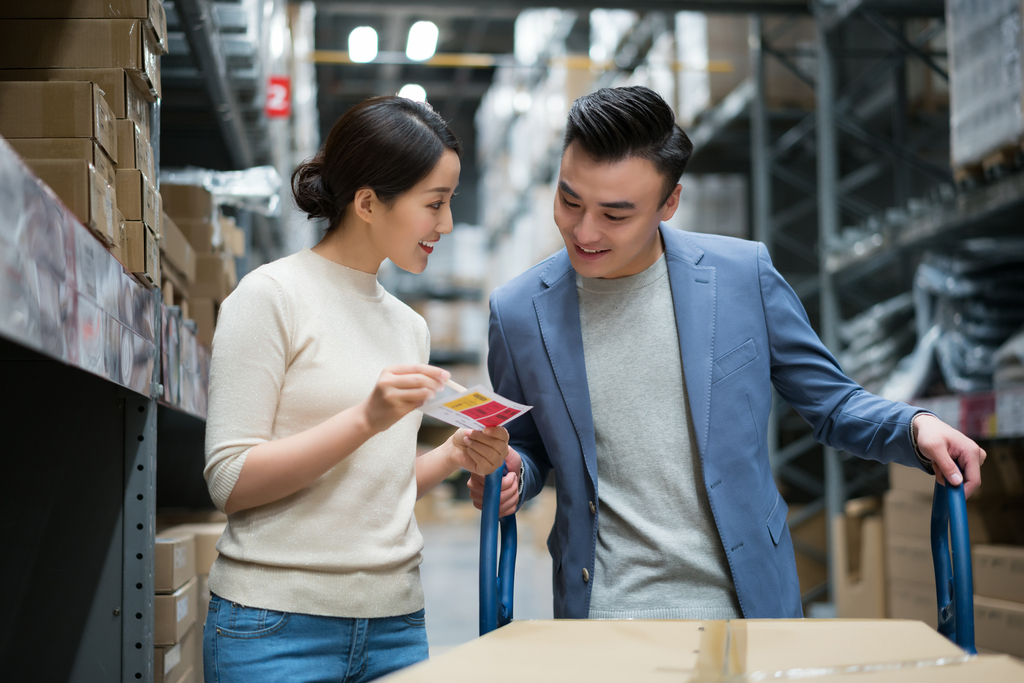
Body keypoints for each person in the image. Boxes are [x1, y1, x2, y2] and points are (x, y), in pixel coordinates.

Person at [470, 85, 986, 620]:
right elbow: (528, 448)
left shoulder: (743, 276)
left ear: (670, 203)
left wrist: (915, 426)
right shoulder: (517, 312)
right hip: (604, 615)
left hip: (746, 607)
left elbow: (832, 405)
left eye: (615, 215)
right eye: (569, 200)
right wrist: (510, 475)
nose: (584, 231)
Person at [202, 96, 509, 681]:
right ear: (368, 202)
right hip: (276, 629)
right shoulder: (270, 298)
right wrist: (365, 418)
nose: (446, 225)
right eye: (435, 204)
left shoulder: (408, 326)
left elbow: (372, 490)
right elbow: (230, 481)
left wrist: (451, 455)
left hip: (396, 627)